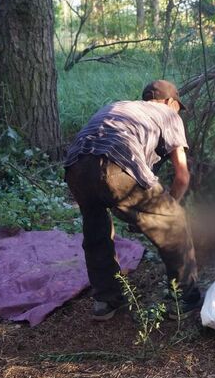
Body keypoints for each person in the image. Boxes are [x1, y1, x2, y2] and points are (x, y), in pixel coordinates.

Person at [64, 80, 201, 321]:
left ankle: (106, 300)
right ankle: (185, 298)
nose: (178, 112)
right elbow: (182, 176)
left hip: (76, 164)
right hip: (116, 160)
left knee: (96, 229)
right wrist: (169, 208)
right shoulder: (168, 114)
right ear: (170, 102)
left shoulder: (123, 107)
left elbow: (111, 184)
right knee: (174, 222)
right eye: (178, 107)